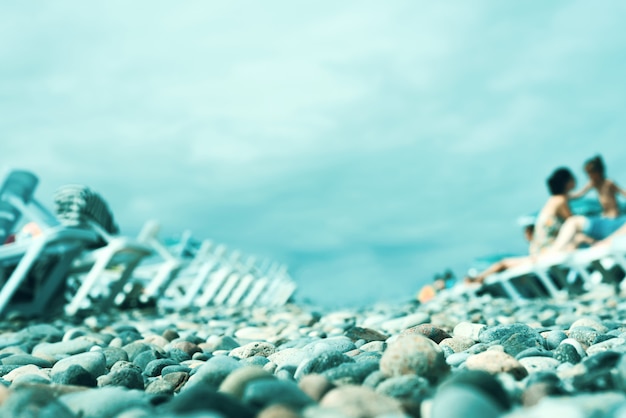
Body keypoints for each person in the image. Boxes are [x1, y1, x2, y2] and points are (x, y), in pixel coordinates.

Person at [467, 167, 576, 284]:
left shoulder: (552, 201)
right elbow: (572, 222)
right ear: (567, 182)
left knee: (504, 263)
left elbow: (574, 197)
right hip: (548, 252)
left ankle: (480, 277)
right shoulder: (560, 201)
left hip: (537, 251)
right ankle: (480, 277)